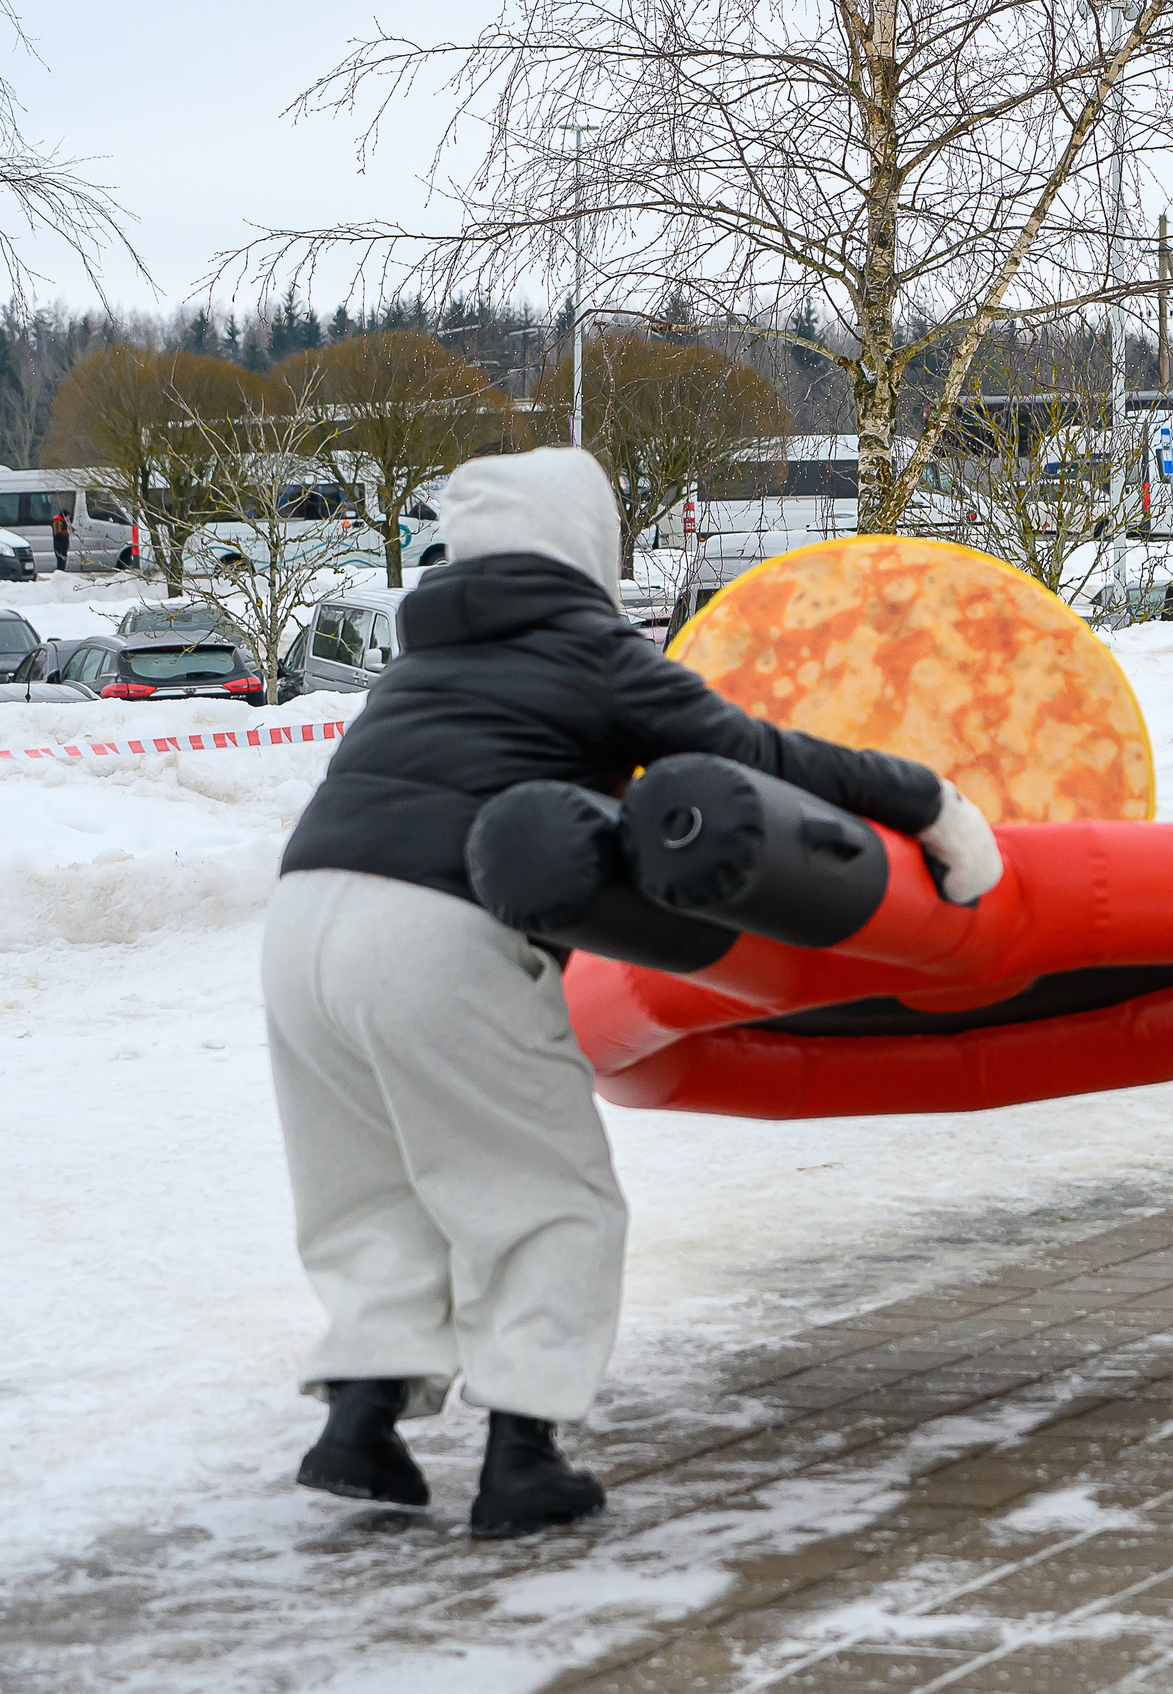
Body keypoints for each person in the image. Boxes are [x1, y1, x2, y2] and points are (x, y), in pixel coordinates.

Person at [264, 447, 1002, 1537]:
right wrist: (926, 801)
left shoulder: (418, 666)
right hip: (437, 925)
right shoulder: (587, 650)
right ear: (584, 542)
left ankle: (360, 1425)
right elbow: (754, 758)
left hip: (299, 923)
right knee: (545, 1193)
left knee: (370, 1184)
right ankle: (523, 1456)